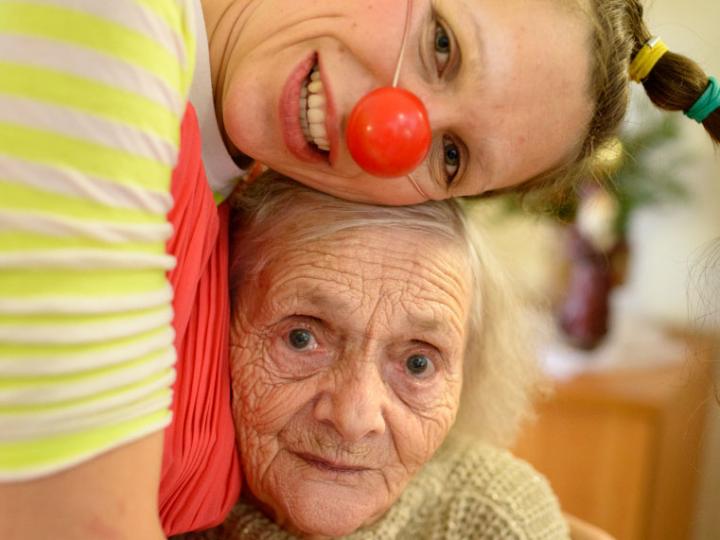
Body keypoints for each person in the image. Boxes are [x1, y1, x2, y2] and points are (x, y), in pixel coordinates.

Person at [1, 0, 719, 537]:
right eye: (440, 43)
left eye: (449, 156)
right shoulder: (110, 27)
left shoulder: (220, 180)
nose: (387, 124)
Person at [175, 173, 564, 539]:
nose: (353, 419)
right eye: (301, 337)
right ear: (213, 325)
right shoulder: (136, 493)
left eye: (418, 363)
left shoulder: (499, 521)